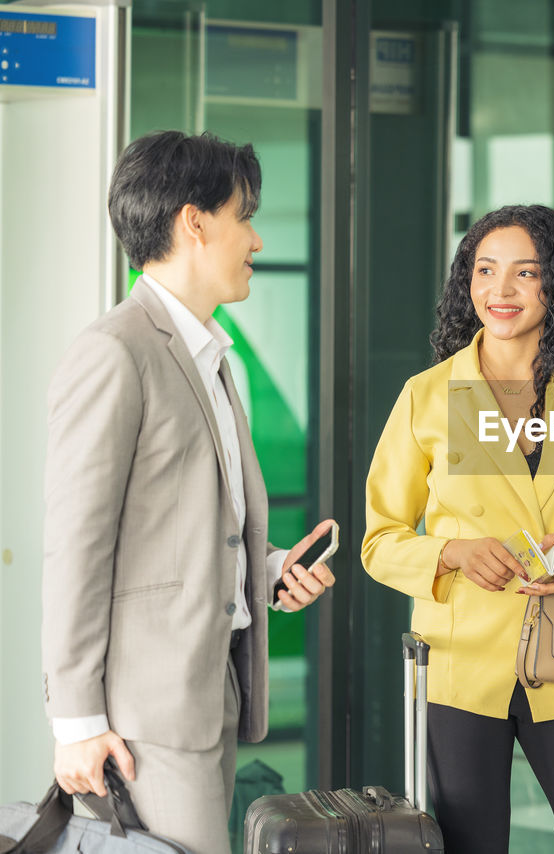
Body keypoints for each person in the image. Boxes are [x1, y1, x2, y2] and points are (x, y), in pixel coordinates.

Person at [41, 130, 336, 853]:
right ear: (194, 222)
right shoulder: (117, 351)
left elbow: (185, 524)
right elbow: (75, 547)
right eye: (245, 216)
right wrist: (76, 724)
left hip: (209, 695)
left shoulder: (210, 354)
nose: (257, 240)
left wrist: (267, 569)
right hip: (147, 719)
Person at [362, 204, 554, 853]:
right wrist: (452, 552)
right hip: (464, 664)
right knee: (470, 846)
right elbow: (379, 541)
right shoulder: (427, 396)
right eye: (486, 270)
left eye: (526, 273)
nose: (501, 290)